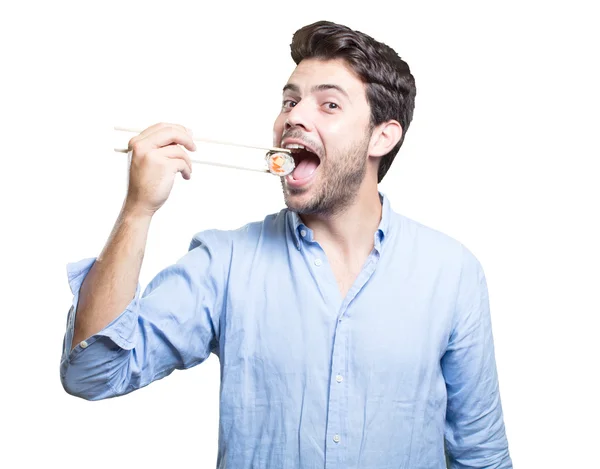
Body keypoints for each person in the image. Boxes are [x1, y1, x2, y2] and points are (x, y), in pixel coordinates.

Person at [60, 20, 512, 468]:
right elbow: (92, 372)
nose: (294, 116)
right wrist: (138, 210)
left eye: (329, 104)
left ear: (383, 135)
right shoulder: (226, 263)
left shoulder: (451, 274)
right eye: (289, 101)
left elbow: (482, 457)